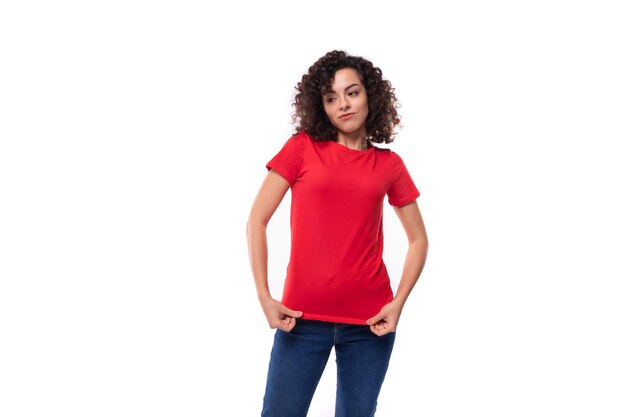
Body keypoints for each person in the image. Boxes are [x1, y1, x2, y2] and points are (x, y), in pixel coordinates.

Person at [246, 50, 428, 417]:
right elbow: (257, 221)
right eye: (331, 98)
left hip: (369, 325)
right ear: (322, 107)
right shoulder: (302, 148)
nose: (343, 104)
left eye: (352, 92)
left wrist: (398, 303)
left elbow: (418, 239)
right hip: (301, 319)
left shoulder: (389, 164)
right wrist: (265, 296)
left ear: (370, 96)